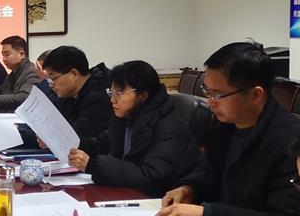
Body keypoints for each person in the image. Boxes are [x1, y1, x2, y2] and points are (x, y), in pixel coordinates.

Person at [151, 41, 300, 216]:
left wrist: (208, 215)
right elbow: (207, 170)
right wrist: (189, 188)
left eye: (218, 94)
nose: (210, 102)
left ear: (256, 94)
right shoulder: (223, 125)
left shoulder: (292, 142)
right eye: (207, 91)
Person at [67, 60, 203, 197]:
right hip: (129, 194)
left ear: (142, 95)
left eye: (119, 93)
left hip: (161, 201)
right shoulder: (127, 118)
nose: (112, 100)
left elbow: (151, 177)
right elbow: (101, 143)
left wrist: (93, 165)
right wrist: (73, 144)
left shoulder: (168, 127)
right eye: (111, 92)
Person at [40, 46, 110, 146]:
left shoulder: (98, 97)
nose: (50, 85)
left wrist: (51, 138)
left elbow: (76, 138)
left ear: (73, 74)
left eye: (53, 78)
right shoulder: (71, 93)